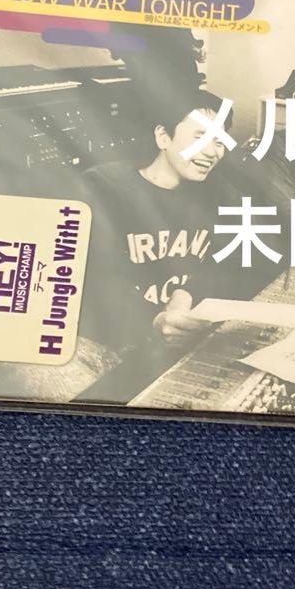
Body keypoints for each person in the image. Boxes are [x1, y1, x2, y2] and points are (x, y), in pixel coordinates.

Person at [73, 87, 230, 404]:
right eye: (200, 136)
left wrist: (186, 294)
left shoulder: (215, 194)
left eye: (219, 141)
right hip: (105, 342)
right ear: (163, 136)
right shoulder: (104, 187)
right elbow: (96, 283)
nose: (212, 151)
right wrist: (153, 320)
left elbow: (223, 262)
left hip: (172, 341)